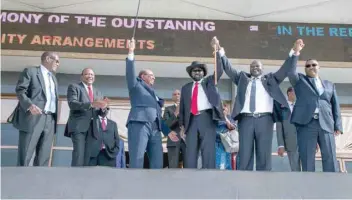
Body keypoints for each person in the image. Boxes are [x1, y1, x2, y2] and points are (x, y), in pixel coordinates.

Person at [219, 38, 302, 171]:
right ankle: (244, 184)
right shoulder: (242, 78)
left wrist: (295, 52)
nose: (255, 68)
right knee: (245, 153)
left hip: (265, 120)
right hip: (246, 119)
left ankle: (264, 184)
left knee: (264, 154)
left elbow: (285, 68)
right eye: (252, 66)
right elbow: (229, 69)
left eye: (257, 66)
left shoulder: (271, 79)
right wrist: (220, 52)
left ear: (262, 69)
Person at [287, 39, 343, 172]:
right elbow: (291, 72)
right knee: (307, 157)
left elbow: (335, 106)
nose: (311, 67)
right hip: (307, 124)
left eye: (314, 65)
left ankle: (331, 185)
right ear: (305, 69)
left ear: (319, 67)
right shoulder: (300, 81)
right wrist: (296, 52)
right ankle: (309, 188)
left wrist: (338, 125)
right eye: (308, 66)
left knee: (330, 156)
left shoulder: (329, 85)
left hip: (326, 124)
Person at [126, 38, 178, 169]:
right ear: (142, 76)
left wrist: (168, 131)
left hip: (155, 129)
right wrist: (131, 52)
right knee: (137, 158)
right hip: (139, 124)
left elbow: (158, 116)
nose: (153, 78)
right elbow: (130, 73)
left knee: (158, 162)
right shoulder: (136, 85)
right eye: (150, 75)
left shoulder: (154, 94)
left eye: (154, 76)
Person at [178, 37, 224, 169]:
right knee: (190, 152)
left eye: (199, 70)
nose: (197, 72)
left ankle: (208, 176)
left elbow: (219, 70)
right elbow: (182, 108)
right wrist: (181, 126)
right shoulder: (186, 87)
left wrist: (217, 50)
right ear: (191, 74)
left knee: (208, 150)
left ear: (203, 73)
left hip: (207, 118)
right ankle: (190, 177)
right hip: (191, 121)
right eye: (194, 70)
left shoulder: (209, 81)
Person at [8, 52, 60, 166]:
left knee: (44, 156)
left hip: (50, 119)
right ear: (47, 59)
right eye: (56, 60)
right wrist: (29, 105)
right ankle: (21, 181)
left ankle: (40, 182)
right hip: (33, 117)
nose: (58, 64)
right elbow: (20, 90)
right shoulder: (31, 71)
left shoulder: (53, 78)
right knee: (25, 154)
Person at [65, 68, 107, 166]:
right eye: (87, 74)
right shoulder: (74, 87)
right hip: (79, 126)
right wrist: (91, 104)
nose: (90, 76)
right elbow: (72, 104)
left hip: (93, 128)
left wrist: (104, 108)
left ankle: (85, 179)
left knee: (89, 156)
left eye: (92, 74)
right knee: (79, 153)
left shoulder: (98, 92)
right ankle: (76, 178)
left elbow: (101, 114)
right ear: (82, 76)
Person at [275, 87, 301, 171]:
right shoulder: (282, 108)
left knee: (307, 169)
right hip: (290, 143)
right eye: (295, 92)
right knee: (295, 169)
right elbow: (279, 128)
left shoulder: (301, 106)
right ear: (289, 93)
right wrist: (281, 145)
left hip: (303, 142)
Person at [163, 89, 186, 168]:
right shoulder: (168, 109)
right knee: (173, 167)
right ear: (172, 97)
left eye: (179, 94)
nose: (177, 95)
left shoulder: (188, 108)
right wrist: (175, 113)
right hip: (173, 141)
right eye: (175, 94)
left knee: (190, 168)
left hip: (187, 141)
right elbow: (165, 126)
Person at [215, 103, 237, 170]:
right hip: (216, 143)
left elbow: (232, 127)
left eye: (224, 108)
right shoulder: (215, 117)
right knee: (217, 164)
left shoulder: (229, 118)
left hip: (226, 144)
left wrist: (225, 117)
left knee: (226, 163)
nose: (223, 110)